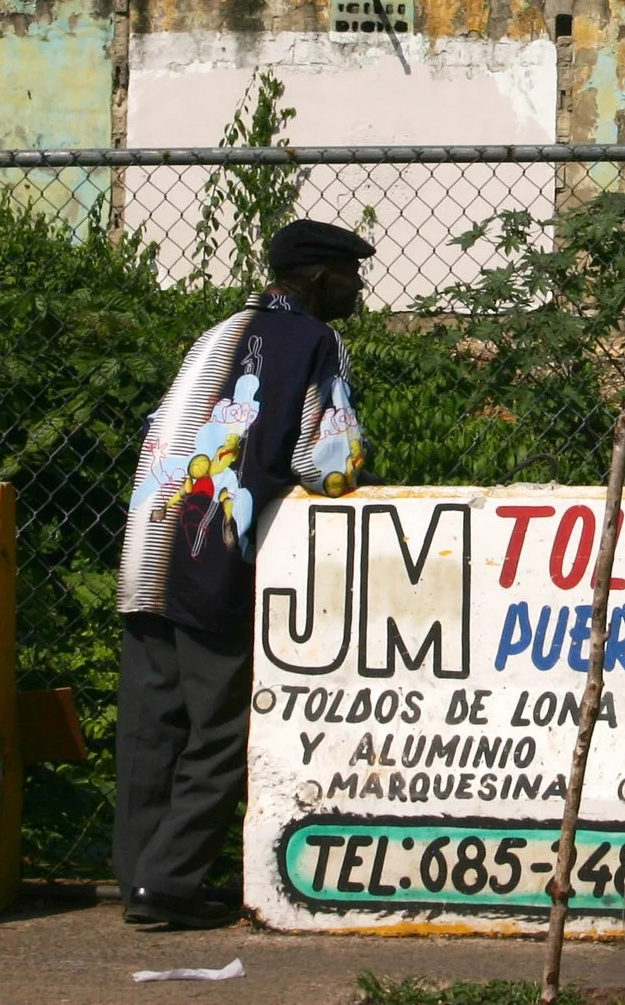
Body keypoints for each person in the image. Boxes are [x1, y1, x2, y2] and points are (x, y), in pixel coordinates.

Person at [111, 218, 375, 928]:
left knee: (150, 725)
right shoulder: (316, 342)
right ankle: (165, 885)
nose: (359, 288)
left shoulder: (216, 331)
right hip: (213, 552)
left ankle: (138, 875)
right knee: (220, 729)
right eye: (351, 275)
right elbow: (326, 459)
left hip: (148, 543)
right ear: (321, 278)